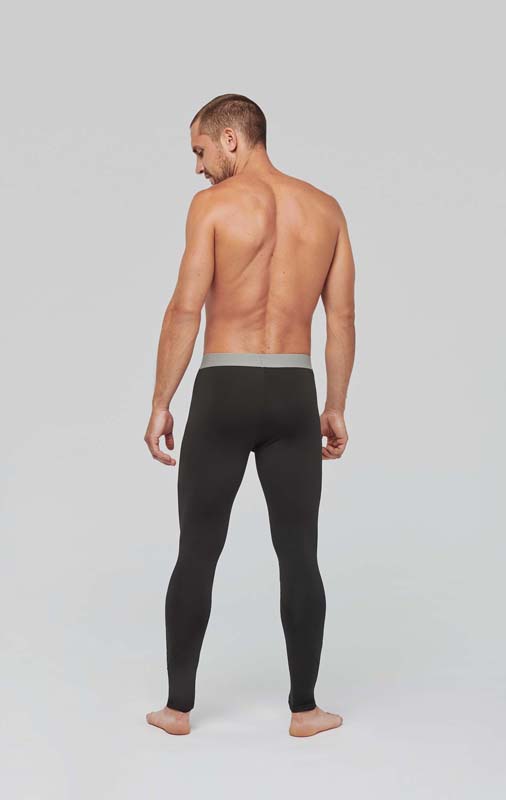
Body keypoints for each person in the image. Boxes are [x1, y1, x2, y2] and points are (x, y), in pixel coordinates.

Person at [144, 94, 356, 737]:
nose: (199, 166)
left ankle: (177, 711)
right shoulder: (326, 209)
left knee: (197, 550)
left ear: (231, 138)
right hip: (294, 392)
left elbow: (185, 308)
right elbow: (341, 319)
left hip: (224, 389)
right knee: (300, 554)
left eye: (201, 151)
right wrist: (335, 405)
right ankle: (306, 711)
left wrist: (161, 401)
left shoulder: (212, 207)